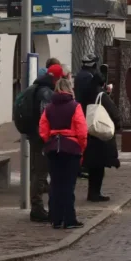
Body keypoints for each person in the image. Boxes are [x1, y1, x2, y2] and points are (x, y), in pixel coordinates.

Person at [39, 77, 88, 229]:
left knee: (55, 184)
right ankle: (69, 219)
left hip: (54, 148)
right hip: (71, 148)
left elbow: (43, 130)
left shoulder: (49, 108)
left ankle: (55, 218)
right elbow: (82, 130)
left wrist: (50, 140)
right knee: (68, 185)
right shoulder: (75, 106)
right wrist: (81, 147)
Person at [78, 70, 121, 202]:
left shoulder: (85, 93)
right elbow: (114, 112)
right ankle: (95, 193)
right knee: (99, 166)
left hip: (88, 132)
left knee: (92, 166)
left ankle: (92, 192)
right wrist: (117, 125)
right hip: (99, 133)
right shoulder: (101, 95)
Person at [27, 64, 62, 223]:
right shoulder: (46, 93)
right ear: (57, 78)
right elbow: (46, 117)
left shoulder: (39, 87)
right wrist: (48, 137)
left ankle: (37, 206)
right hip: (41, 138)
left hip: (35, 136)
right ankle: (37, 208)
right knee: (40, 173)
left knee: (37, 172)